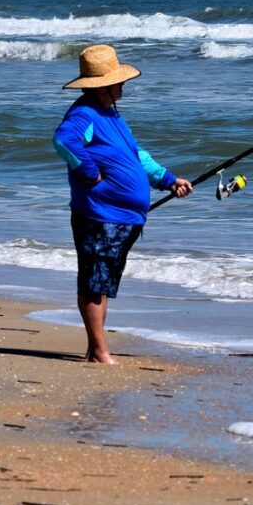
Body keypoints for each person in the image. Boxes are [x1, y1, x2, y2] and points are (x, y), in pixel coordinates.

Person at [53, 44, 193, 364]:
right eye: (119, 81)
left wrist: (168, 180)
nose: (123, 86)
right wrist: (90, 173)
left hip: (121, 217)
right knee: (93, 283)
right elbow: (63, 140)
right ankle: (100, 352)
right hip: (100, 215)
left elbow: (136, 154)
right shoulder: (85, 113)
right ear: (103, 85)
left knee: (102, 283)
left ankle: (95, 349)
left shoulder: (112, 114)